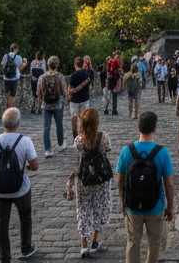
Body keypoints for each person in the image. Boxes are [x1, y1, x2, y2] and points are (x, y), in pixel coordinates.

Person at [0, 107, 39, 262]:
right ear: (18, 124)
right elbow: (34, 166)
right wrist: (22, 167)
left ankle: (4, 256)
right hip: (21, 189)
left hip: (0, 190)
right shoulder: (25, 141)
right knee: (25, 216)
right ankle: (26, 248)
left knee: (2, 222)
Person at [116, 111, 175, 263]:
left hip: (132, 207)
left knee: (133, 243)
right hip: (155, 207)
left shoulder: (126, 151)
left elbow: (120, 181)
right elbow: (169, 184)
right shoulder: (162, 152)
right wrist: (170, 207)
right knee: (155, 243)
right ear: (155, 128)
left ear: (138, 127)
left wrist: (123, 202)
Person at [67, 108, 111, 259]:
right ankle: (94, 241)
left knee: (83, 209)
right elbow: (108, 148)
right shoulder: (103, 136)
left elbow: (79, 150)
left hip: (84, 178)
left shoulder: (78, 139)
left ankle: (84, 245)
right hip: (100, 178)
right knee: (98, 207)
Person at [37, 57, 67, 157]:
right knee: (59, 125)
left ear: (48, 65)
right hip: (58, 105)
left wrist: (39, 102)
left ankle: (47, 150)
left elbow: (39, 92)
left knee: (46, 127)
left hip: (46, 105)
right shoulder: (60, 76)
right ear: (57, 65)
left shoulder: (42, 77)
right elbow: (63, 91)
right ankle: (60, 144)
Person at [68, 56, 93, 141]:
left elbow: (70, 89)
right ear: (82, 64)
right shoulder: (87, 73)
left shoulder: (73, 75)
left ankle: (75, 137)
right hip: (84, 99)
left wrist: (69, 94)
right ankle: (82, 135)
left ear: (75, 64)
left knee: (74, 117)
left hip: (74, 100)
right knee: (83, 118)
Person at [1, 44, 27, 110]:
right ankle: (12, 109)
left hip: (6, 77)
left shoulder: (5, 56)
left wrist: (4, 72)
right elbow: (19, 68)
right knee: (13, 94)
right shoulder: (18, 57)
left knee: (8, 94)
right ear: (16, 49)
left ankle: (7, 108)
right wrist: (24, 63)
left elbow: (2, 66)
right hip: (14, 77)